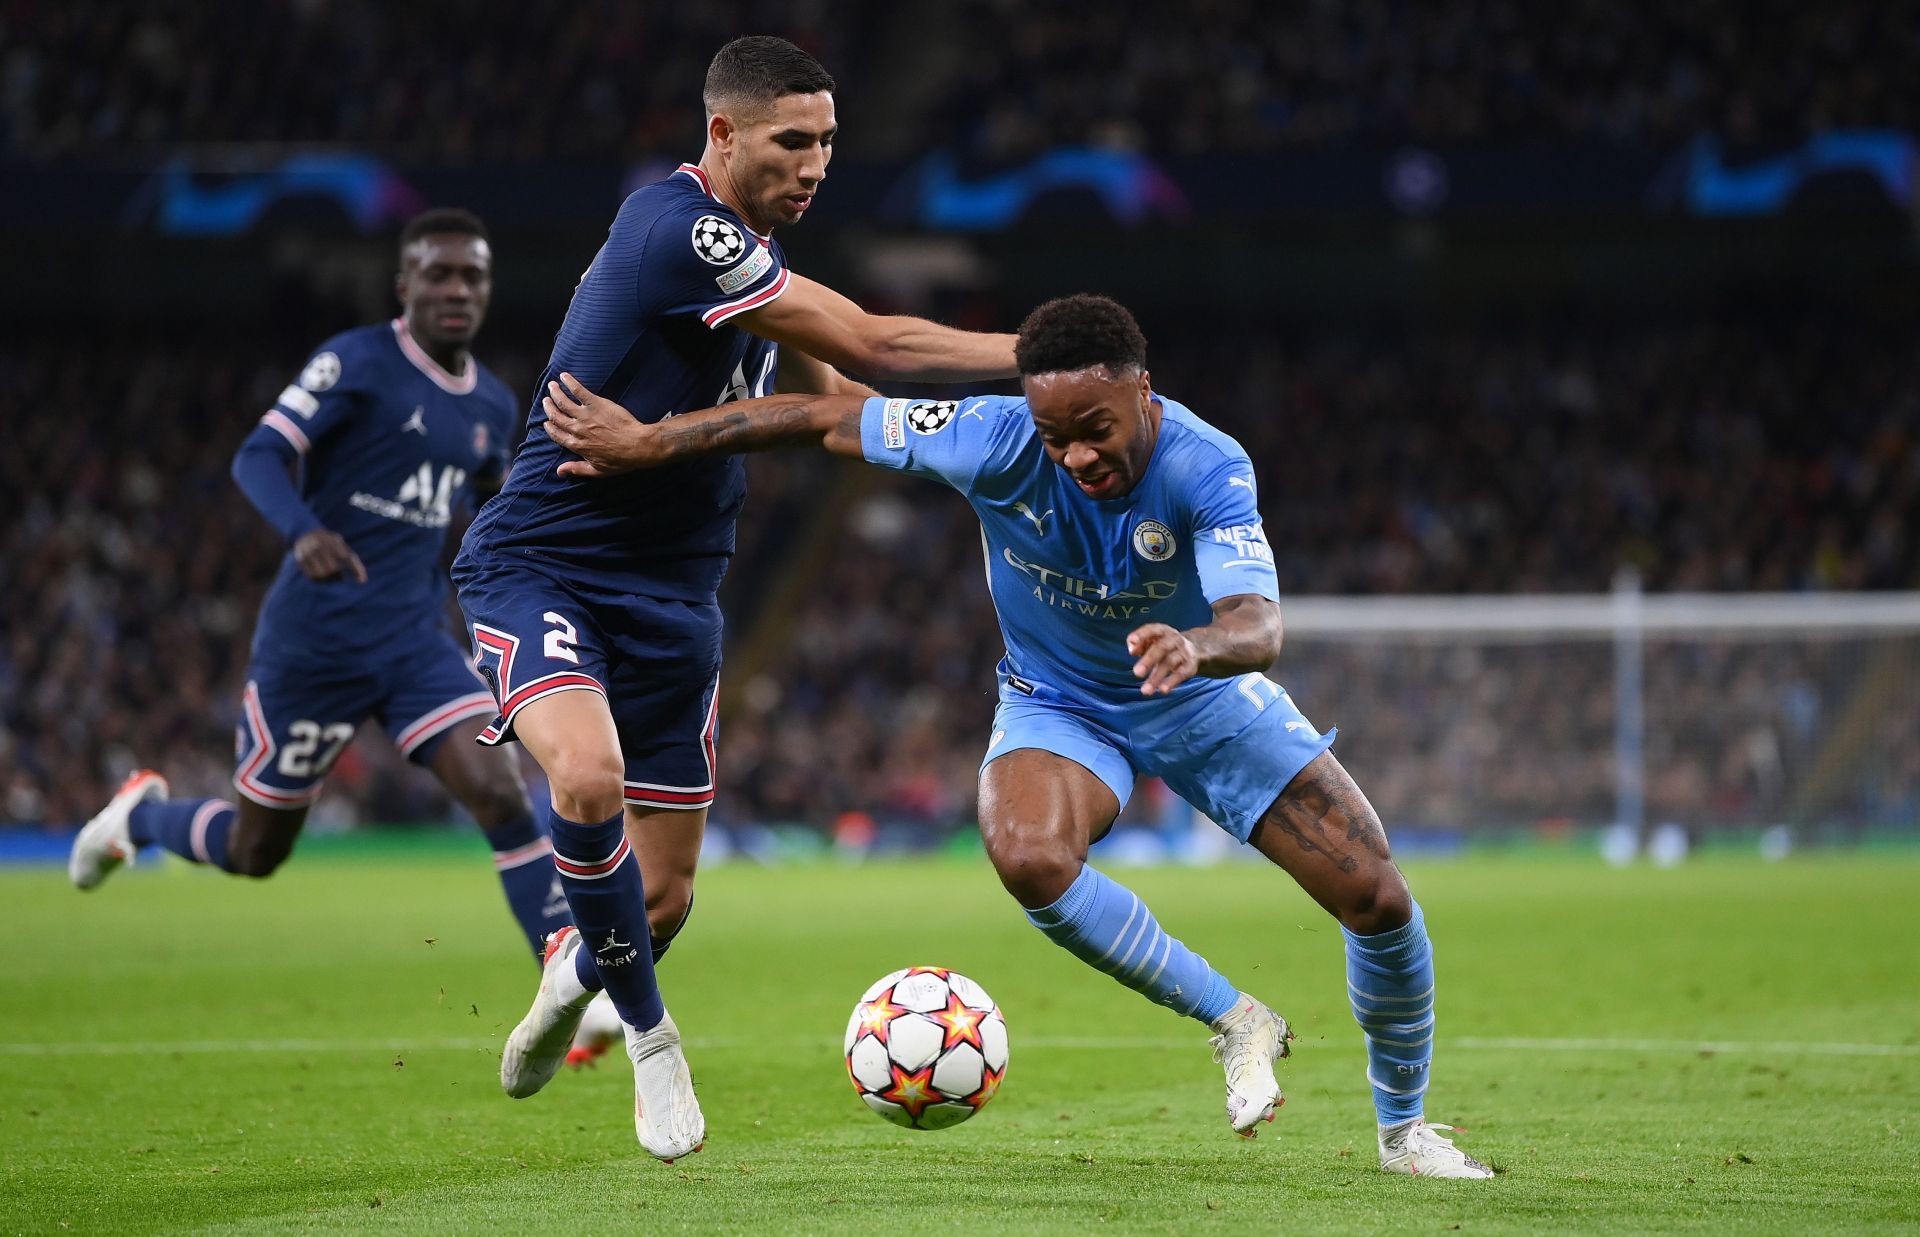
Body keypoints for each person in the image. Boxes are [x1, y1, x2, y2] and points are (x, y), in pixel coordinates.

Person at [537, 293, 1495, 1179]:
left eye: (1095, 430)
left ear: (1143, 393)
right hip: (1060, 698)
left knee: (1375, 895)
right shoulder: (991, 437)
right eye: (1055, 434)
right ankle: (1236, 1018)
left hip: (1197, 691)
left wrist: (1198, 643)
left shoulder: (1210, 463)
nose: (1075, 455)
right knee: (1030, 853)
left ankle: (1404, 1130)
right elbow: (823, 418)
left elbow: (1261, 626)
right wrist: (651, 441)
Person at [452, 35, 1017, 1162]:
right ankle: (653, 1043)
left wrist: (982, 453)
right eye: (791, 141)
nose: (815, 164)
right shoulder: (684, 228)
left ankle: (578, 967)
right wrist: (1049, 359)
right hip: (545, 562)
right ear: (723, 134)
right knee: (588, 772)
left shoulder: (752, 263)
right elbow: (869, 337)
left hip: (679, 596)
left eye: (828, 143)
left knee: (659, 904)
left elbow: (835, 400)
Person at [68, 208, 579, 985]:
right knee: (256, 849)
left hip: (413, 643)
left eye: (471, 275)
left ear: (488, 289)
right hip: (314, 642)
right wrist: (303, 529)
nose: (456, 289)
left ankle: (563, 980)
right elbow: (262, 454)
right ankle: (139, 817)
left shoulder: (492, 407)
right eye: (438, 273)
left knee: (501, 789)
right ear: (404, 283)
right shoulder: (358, 361)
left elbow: (490, 509)